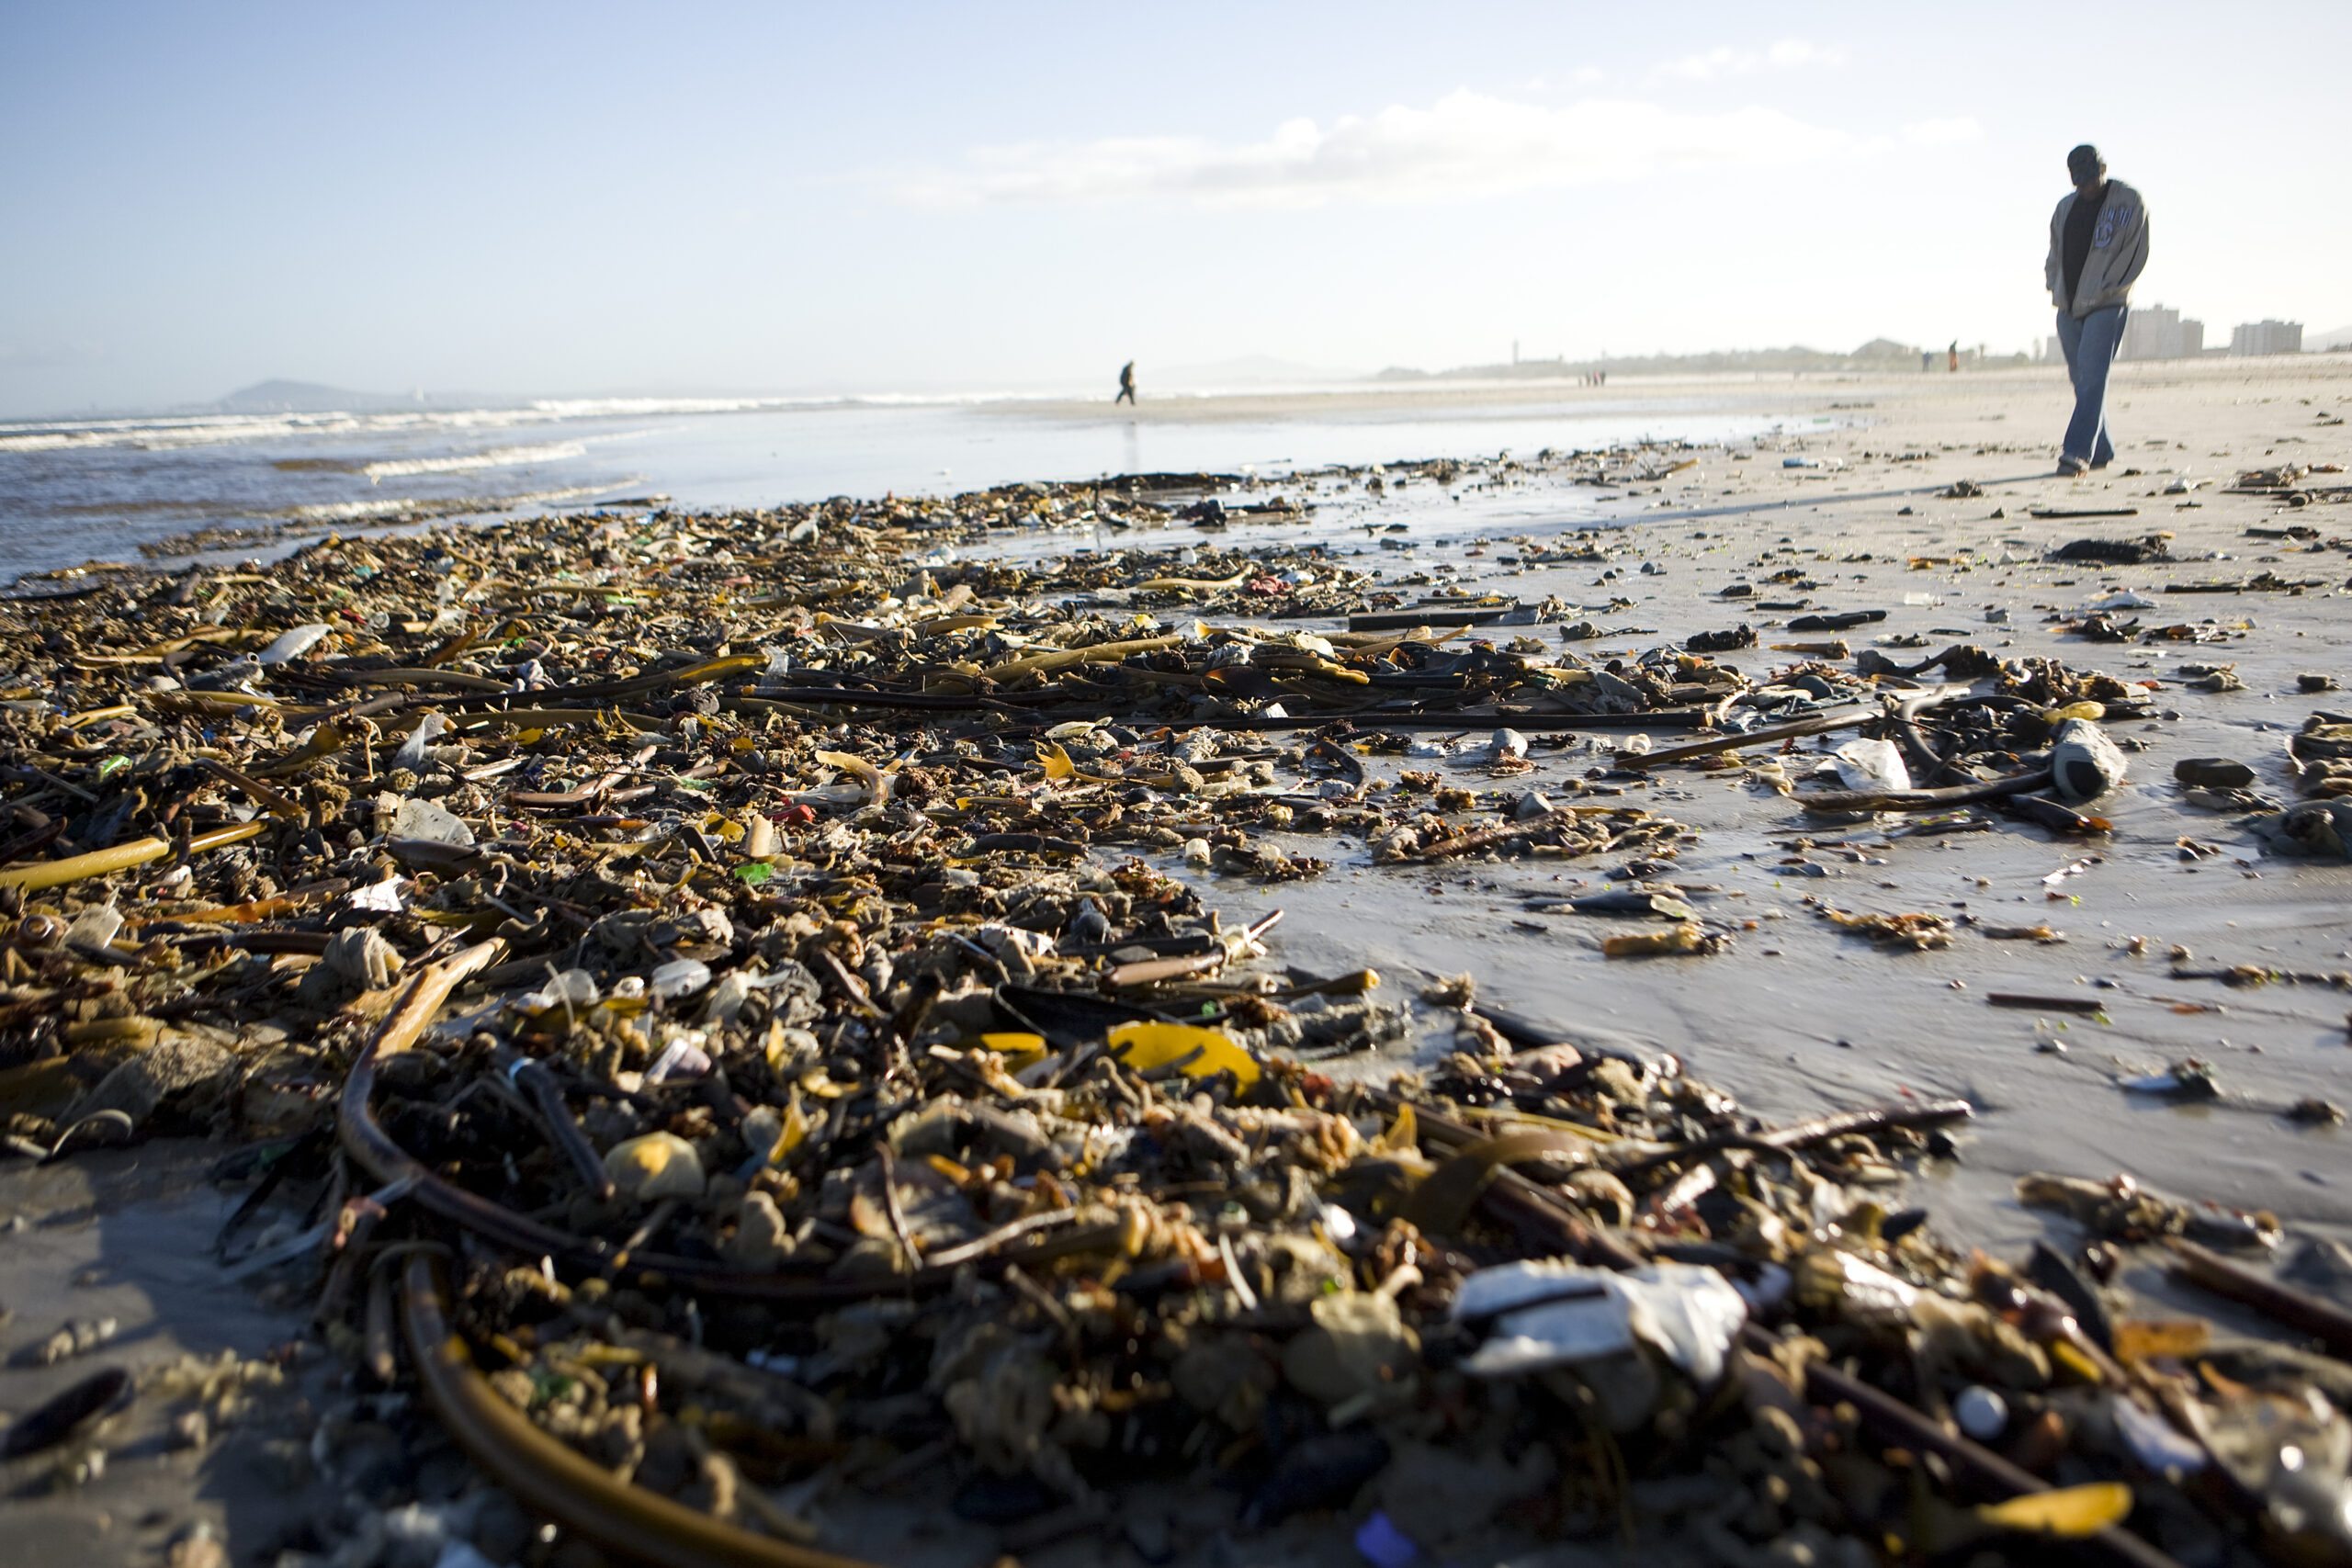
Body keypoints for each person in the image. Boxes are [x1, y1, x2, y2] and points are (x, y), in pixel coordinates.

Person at [2044, 144, 2149, 476]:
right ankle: (2101, 449)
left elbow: (2137, 249)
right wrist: (2053, 284)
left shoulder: (2128, 201)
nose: (2087, 186)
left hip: (2108, 304)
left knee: (2093, 376)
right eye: (2080, 181)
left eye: (2092, 178)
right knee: (2082, 380)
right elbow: (2055, 251)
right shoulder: (2065, 207)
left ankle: (2076, 452)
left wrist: (2110, 285)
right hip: (2068, 306)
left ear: (2103, 170)